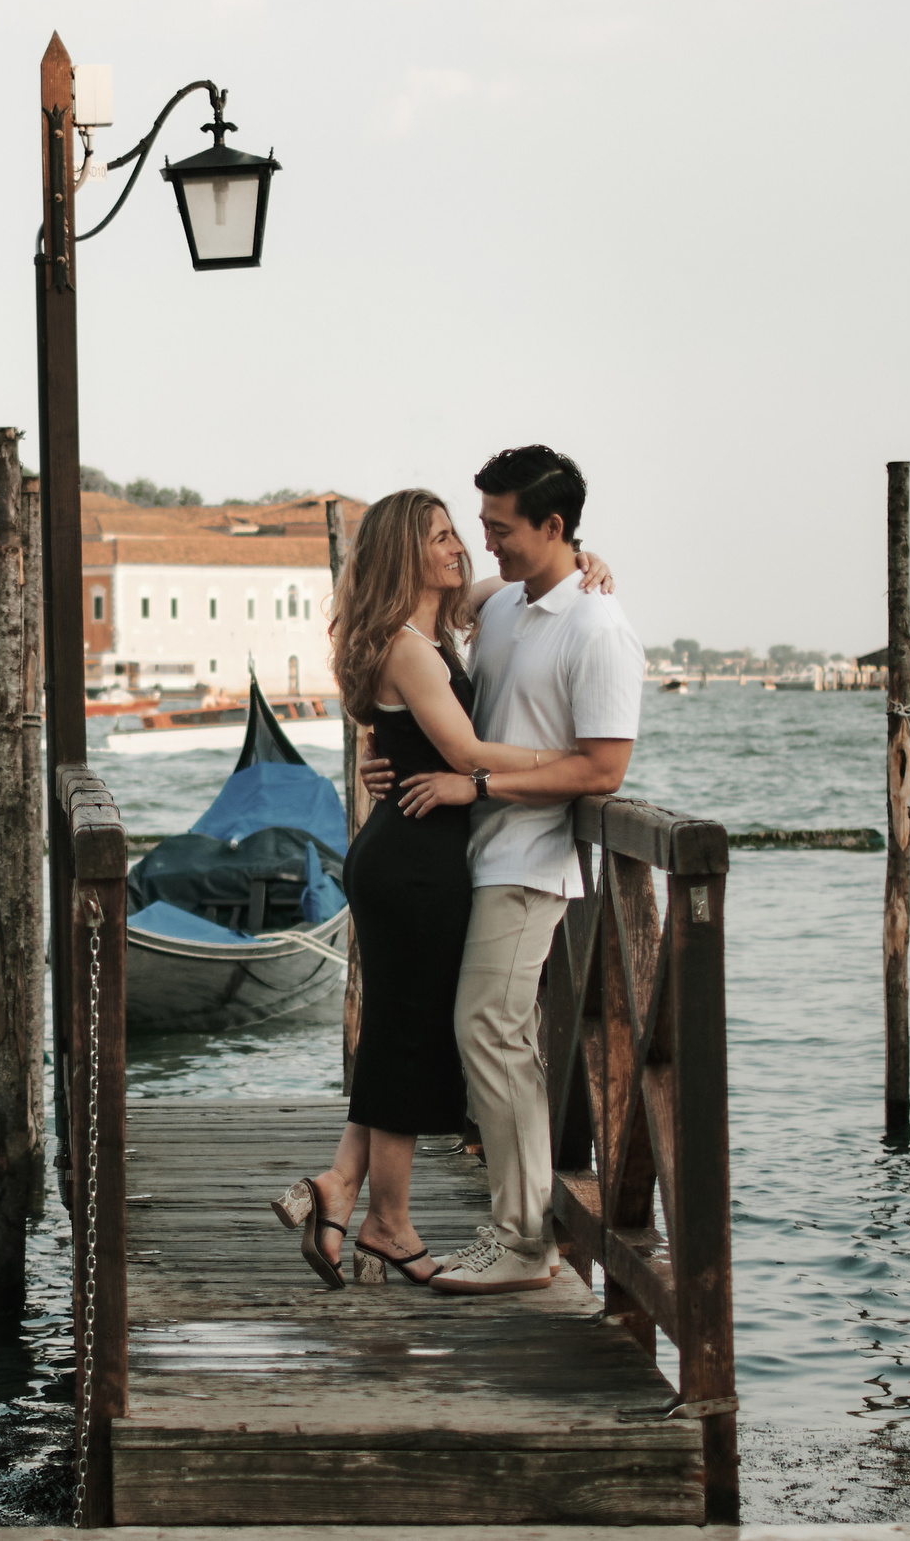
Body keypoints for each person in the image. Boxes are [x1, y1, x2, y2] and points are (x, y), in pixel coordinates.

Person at [271, 486, 608, 1289]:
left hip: (406, 853)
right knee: (413, 1033)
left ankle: (342, 1189)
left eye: (462, 533)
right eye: (442, 537)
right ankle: (385, 1220)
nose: (461, 547)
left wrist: (586, 562)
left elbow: (531, 586)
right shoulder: (412, 647)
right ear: (403, 554)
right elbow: (463, 755)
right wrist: (570, 764)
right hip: (414, 861)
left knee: (399, 1029)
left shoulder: (439, 627)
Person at [363, 445, 643, 1295]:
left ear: (552, 526)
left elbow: (601, 771)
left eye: (499, 526)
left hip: (530, 862)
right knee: (488, 1033)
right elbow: (438, 686)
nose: (485, 542)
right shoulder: (512, 607)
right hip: (473, 855)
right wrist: (393, 758)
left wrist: (477, 781)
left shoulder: (599, 628)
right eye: (476, 526)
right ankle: (514, 1226)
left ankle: (523, 1237)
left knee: (492, 1031)